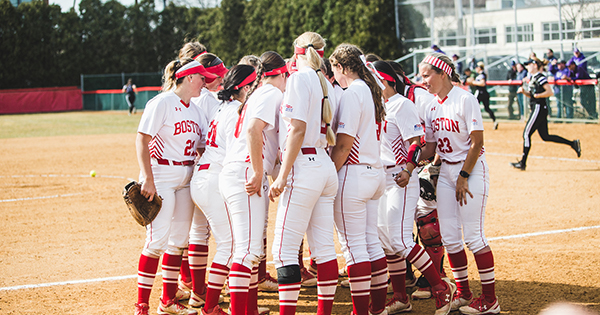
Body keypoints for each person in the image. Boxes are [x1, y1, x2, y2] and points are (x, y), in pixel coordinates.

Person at [419, 53, 500, 315]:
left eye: (426, 75)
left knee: (474, 236)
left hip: (471, 170)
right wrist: (406, 160)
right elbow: (431, 147)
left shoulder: (465, 98)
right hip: (446, 172)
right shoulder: (432, 105)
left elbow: (477, 142)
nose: (424, 81)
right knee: (451, 238)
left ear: (442, 73)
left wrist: (464, 176)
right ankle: (464, 294)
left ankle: (490, 300)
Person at [372, 60, 454, 315]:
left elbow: (416, 142)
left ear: (384, 81)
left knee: (400, 239)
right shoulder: (379, 106)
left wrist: (408, 169)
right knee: (386, 241)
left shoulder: (402, 104)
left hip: (401, 177)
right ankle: (400, 297)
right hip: (381, 178)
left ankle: (440, 288)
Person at [134, 58, 216, 315]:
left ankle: (167, 300)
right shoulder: (161, 103)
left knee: (178, 240)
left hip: (187, 176)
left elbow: (203, 146)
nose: (205, 83)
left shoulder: (196, 110)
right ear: (189, 77)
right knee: (157, 240)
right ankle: (142, 305)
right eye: (202, 78)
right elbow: (142, 139)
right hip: (162, 174)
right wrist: (147, 177)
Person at [268, 31, 339, 315]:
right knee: (324, 249)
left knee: (283, 250)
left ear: (297, 53)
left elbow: (296, 129)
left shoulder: (298, 78)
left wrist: (283, 175)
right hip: (324, 163)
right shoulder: (326, 83)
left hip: (304, 166)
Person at [220, 51, 287, 315]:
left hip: (238, 170)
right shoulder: (270, 93)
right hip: (246, 171)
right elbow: (252, 130)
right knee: (247, 252)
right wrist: (259, 172)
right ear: (280, 74)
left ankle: (248, 311)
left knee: (249, 250)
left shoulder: (259, 93)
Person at [189, 65, 256, 315]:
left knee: (230, 244)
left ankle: (220, 303)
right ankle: (210, 306)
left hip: (204, 175)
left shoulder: (222, 108)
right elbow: (234, 156)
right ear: (246, 88)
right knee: (230, 245)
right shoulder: (237, 111)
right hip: (214, 179)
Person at [328, 45, 388, 315]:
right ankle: (377, 309)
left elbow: (343, 145)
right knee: (371, 243)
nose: (334, 76)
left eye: (334, 70)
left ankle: (362, 311)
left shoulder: (353, 92)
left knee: (354, 248)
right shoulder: (370, 89)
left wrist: (327, 173)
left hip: (354, 172)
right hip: (374, 172)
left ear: (341, 66)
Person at [511, 57, 581, 171]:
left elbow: (549, 91)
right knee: (545, 136)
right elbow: (532, 94)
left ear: (535, 65)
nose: (527, 67)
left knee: (526, 134)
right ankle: (573, 143)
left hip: (539, 107)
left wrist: (537, 96)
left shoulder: (540, 77)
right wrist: (524, 92)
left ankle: (523, 163)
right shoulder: (533, 78)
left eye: (529, 64)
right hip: (538, 107)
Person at [470, 62, 498, 129]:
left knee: (476, 108)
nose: (476, 69)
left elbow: (482, 83)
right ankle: (494, 121)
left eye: (477, 67)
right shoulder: (479, 74)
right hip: (483, 93)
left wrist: (474, 82)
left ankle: (474, 123)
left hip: (481, 93)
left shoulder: (482, 74)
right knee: (485, 108)